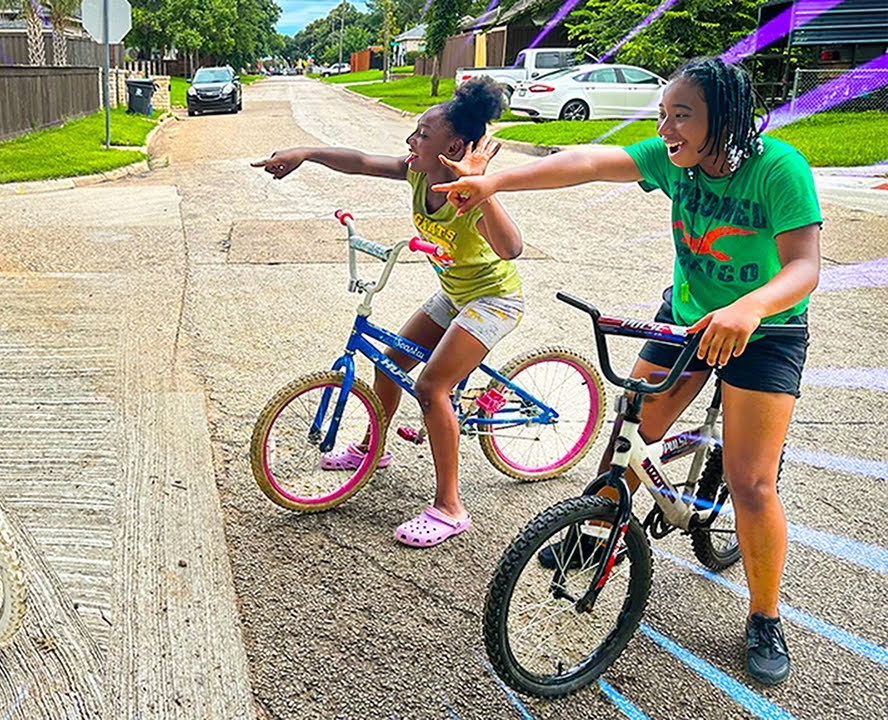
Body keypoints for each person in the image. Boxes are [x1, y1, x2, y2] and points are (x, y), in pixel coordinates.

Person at [432, 57, 820, 685]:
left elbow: (803, 266)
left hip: (766, 330)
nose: (666, 129)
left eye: (681, 116)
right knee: (630, 438)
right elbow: (587, 163)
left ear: (722, 118)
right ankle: (596, 535)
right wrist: (493, 183)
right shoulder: (672, 160)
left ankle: (765, 616)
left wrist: (749, 308)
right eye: (663, 114)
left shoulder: (778, 169)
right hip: (687, 319)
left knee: (751, 483)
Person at [253, 78, 524, 548]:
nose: (410, 140)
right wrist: (305, 153)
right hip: (453, 294)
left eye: (422, 134)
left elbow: (512, 248)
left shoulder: (469, 196)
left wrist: (482, 190)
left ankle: (450, 507)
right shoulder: (417, 173)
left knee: (431, 386)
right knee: (389, 362)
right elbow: (359, 162)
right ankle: (372, 448)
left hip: (492, 301)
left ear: (453, 148)